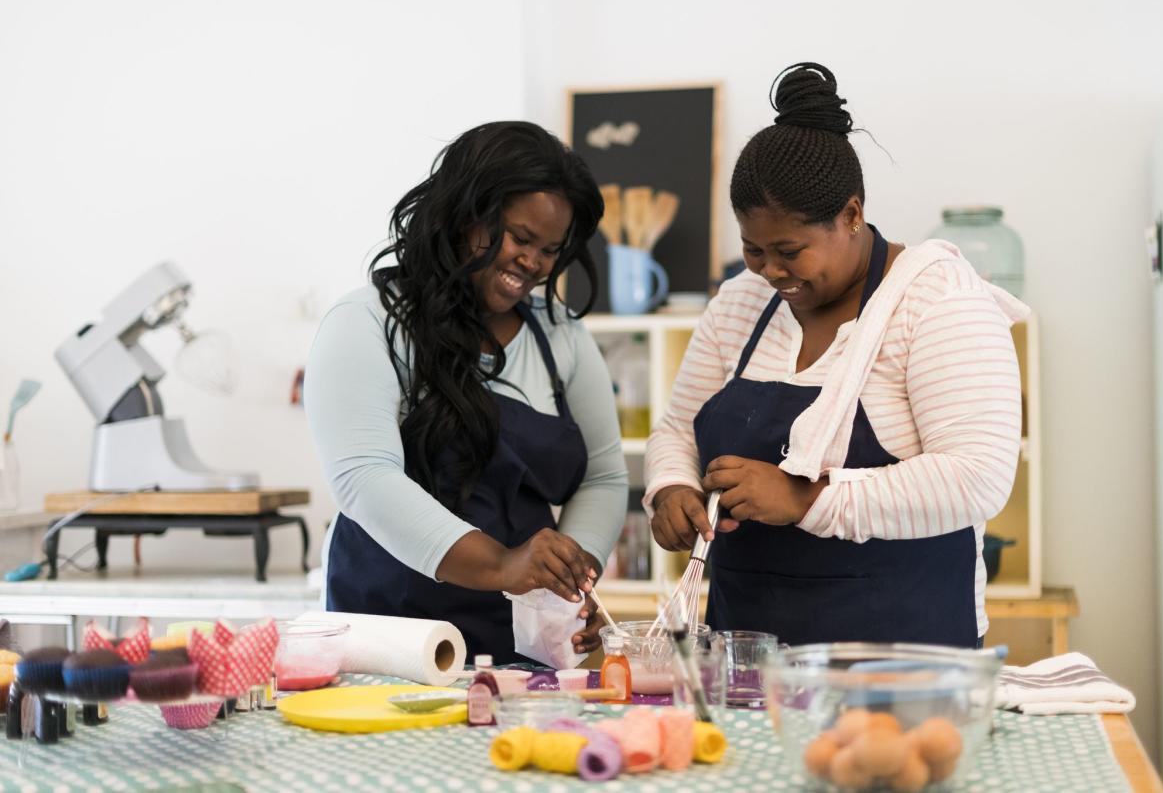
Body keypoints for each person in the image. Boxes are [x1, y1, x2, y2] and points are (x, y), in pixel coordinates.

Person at [644, 63, 1027, 648]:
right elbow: (677, 428)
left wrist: (805, 498)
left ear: (851, 215)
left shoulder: (935, 299)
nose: (771, 271)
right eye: (753, 249)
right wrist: (672, 488)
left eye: (790, 251)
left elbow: (977, 478)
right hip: (747, 664)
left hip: (906, 668)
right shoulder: (740, 303)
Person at [305, 121, 628, 662]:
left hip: (520, 639)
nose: (534, 264)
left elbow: (604, 475)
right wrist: (505, 565)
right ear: (463, 214)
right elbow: (365, 478)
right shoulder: (365, 322)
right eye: (521, 238)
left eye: (550, 249)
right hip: (397, 640)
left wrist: (566, 581)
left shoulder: (560, 333)